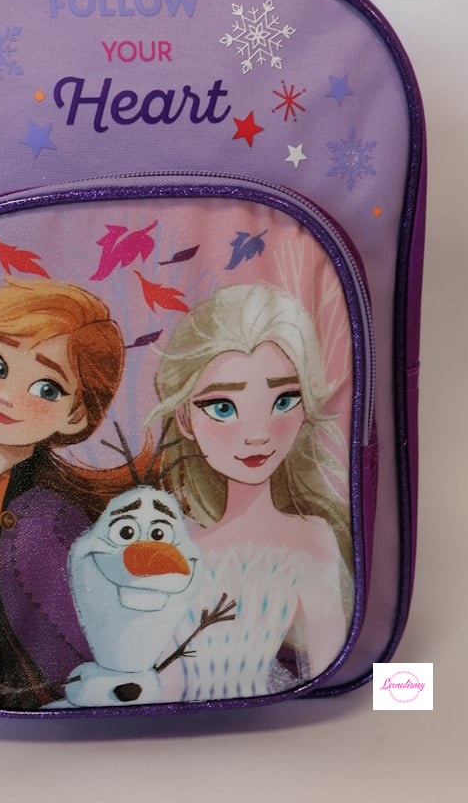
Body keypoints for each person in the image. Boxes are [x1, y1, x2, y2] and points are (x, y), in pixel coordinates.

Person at [0, 277, 145, 709]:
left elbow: (72, 630)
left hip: (29, 690)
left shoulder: (55, 517)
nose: (5, 394)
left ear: (75, 415)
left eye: (45, 388)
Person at [147, 282, 353, 699]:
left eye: (284, 400)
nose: (257, 435)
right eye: (222, 407)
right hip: (176, 728)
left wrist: (409, 695)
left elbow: (332, 668)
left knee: (420, 693)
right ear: (184, 419)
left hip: (290, 723)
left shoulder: (311, 538)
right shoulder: (178, 551)